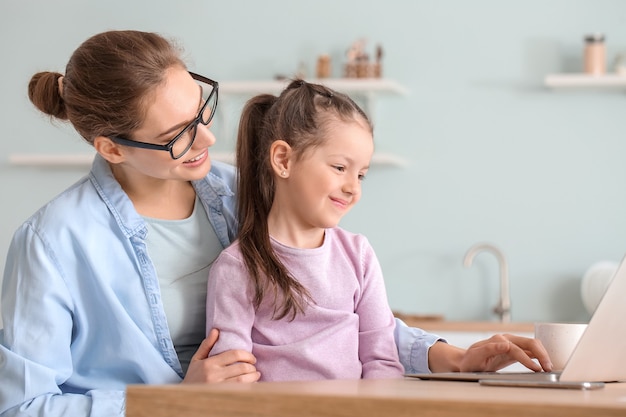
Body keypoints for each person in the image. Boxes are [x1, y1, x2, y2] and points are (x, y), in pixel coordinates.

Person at [0, 30, 551, 417]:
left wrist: (450, 357)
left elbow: (327, 317)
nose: (209, 141)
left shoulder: (237, 192)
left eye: (203, 111)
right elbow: (22, 405)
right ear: (111, 149)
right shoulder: (52, 244)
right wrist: (173, 400)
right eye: (179, 135)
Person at [205, 80, 404, 381]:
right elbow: (231, 375)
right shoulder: (239, 266)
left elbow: (382, 360)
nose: (353, 188)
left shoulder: (358, 255)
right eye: (340, 168)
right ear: (283, 160)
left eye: (361, 175)